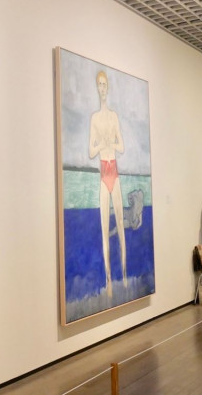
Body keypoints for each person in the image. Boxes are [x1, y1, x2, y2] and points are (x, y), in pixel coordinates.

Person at [89, 71, 126, 297]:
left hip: (115, 172)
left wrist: (110, 143)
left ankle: (124, 275)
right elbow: (91, 151)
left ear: (108, 87)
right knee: (105, 229)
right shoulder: (94, 118)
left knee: (120, 226)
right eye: (99, 85)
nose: (102, 88)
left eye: (104, 84)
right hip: (104, 173)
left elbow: (121, 146)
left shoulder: (113, 116)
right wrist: (101, 144)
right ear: (97, 88)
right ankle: (109, 280)